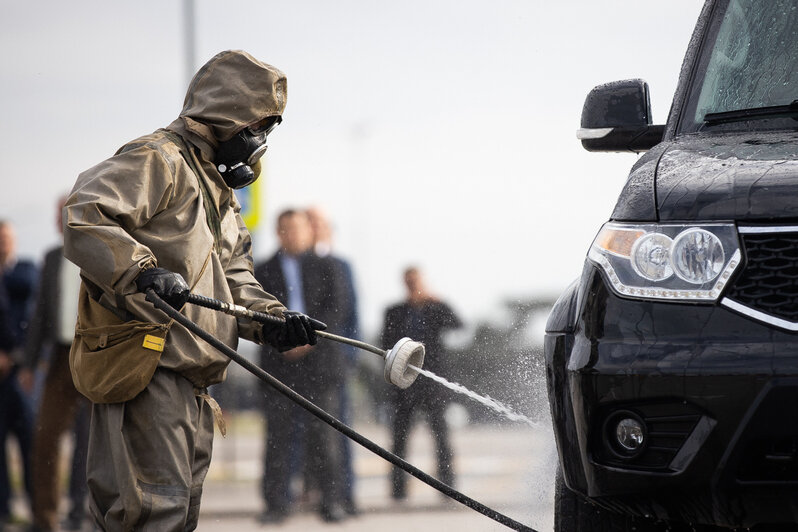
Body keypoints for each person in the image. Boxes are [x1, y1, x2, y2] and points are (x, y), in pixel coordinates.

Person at [62, 50, 325, 531]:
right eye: (256, 127)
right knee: (152, 514)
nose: (261, 141)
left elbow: (235, 275)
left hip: (194, 383)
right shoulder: (157, 158)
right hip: (150, 370)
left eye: (269, 129)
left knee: (178, 517)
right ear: (225, 115)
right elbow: (85, 214)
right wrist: (140, 269)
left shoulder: (219, 191)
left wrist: (274, 322)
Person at [254, 209, 349, 523]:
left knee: (325, 437)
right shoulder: (262, 270)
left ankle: (331, 502)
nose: (292, 235)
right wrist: (282, 341)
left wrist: (308, 341)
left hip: (320, 366)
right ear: (277, 232)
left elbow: (337, 308)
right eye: (286, 229)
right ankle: (276, 505)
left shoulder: (329, 266)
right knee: (277, 437)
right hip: (278, 364)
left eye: (298, 229)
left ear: (309, 232)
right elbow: (252, 311)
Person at [21, 196, 90, 532]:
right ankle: (44, 519)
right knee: (45, 440)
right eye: (57, 214)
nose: (60, 219)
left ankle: (88, 514)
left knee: (93, 445)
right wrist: (29, 364)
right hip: (59, 359)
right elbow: (39, 316)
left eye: (67, 212)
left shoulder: (99, 253)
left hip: (95, 357)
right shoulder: (50, 257)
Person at [380, 266, 462, 501]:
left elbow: (459, 325)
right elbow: (386, 342)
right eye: (409, 282)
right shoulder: (394, 311)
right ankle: (398, 490)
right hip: (404, 384)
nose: (413, 286)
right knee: (399, 439)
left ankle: (448, 487)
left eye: (416, 281)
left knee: (441, 436)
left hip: (432, 383)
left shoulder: (435, 308)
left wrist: (440, 301)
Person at [305, 206, 359, 515]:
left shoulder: (339, 265)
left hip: (331, 362)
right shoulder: (294, 262)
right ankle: (315, 493)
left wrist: (349, 357)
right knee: (311, 436)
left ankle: (344, 496)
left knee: (337, 432)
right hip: (300, 364)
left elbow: (349, 315)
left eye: (317, 223)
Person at [0, 220, 37, 526]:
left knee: (30, 440)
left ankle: (34, 503)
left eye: (7, 239)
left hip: (20, 371)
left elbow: (28, 290)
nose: (4, 244)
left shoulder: (23, 270)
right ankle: (4, 508)